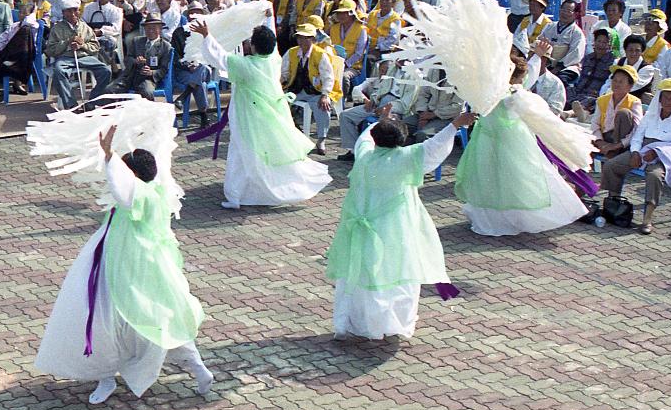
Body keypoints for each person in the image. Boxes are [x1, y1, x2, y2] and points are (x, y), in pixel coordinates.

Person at [34, 127, 211, 404]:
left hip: (126, 266)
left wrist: (109, 155)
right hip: (146, 266)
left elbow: (123, 188)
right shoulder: (158, 189)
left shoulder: (140, 195)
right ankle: (197, 368)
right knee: (162, 319)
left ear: (135, 176)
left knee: (109, 320)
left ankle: (107, 376)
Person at [326, 107, 476, 340]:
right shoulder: (406, 158)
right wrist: (456, 124)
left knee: (364, 272)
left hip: (362, 229)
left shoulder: (364, 155)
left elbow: (365, 136)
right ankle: (391, 322)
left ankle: (359, 322)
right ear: (402, 140)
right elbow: (435, 146)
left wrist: (382, 120)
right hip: (395, 228)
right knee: (398, 270)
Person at [190, 22, 332, 209]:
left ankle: (237, 195)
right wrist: (267, 17)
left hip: (249, 117)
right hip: (272, 113)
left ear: (254, 46)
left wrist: (207, 36)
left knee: (242, 152)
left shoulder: (246, 65)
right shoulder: (274, 60)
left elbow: (221, 58)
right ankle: (256, 189)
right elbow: (268, 39)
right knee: (268, 151)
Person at [454, 54, 588, 236]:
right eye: (521, 78)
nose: (523, 81)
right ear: (514, 78)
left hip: (484, 140)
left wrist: (537, 56)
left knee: (488, 179)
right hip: (511, 141)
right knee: (517, 181)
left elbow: (527, 75)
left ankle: (489, 219)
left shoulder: (487, 91)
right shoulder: (514, 96)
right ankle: (511, 219)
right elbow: (543, 118)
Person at [599, 79, 671, 234]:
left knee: (654, 176)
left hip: (664, 157)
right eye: (666, 97)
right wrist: (635, 152)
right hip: (642, 150)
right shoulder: (650, 115)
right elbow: (637, 137)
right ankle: (613, 206)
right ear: (660, 99)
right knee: (611, 165)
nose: (669, 102)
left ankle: (647, 218)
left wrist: (657, 153)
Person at [45, 0, 112, 110]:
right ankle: (71, 105)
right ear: (63, 13)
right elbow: (50, 50)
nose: (72, 14)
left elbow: (95, 47)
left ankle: (92, 102)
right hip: (65, 58)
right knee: (58, 71)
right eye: (69, 11)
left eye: (75, 10)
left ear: (79, 11)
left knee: (106, 71)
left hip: (84, 57)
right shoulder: (57, 28)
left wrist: (82, 46)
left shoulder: (85, 27)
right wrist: (67, 43)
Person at [281, 22, 335, 154]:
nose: (302, 40)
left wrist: (325, 94)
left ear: (313, 39)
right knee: (280, 104)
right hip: (296, 90)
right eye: (299, 37)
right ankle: (290, 134)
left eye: (306, 37)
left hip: (315, 91)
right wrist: (280, 82)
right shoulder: (291, 52)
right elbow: (284, 73)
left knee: (323, 107)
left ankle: (321, 139)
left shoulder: (320, 54)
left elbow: (328, 76)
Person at [108, 12, 172, 99]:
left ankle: (147, 112)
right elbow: (127, 59)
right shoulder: (137, 41)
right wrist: (135, 61)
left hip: (147, 79)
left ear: (160, 29)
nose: (150, 31)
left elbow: (164, 69)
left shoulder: (165, 46)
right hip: (130, 76)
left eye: (154, 28)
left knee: (147, 92)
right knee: (109, 90)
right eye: (148, 28)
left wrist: (151, 72)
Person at [591, 65, 644, 158]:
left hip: (623, 141)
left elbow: (637, 129)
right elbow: (595, 123)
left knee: (624, 113)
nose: (616, 84)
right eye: (615, 80)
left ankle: (615, 151)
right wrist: (600, 141)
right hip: (605, 137)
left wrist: (618, 145)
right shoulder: (602, 100)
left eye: (621, 82)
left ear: (630, 86)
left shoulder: (634, 102)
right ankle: (606, 150)